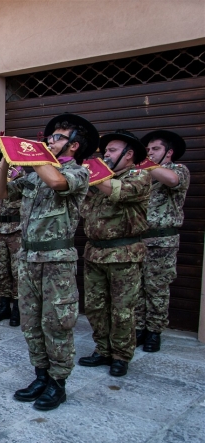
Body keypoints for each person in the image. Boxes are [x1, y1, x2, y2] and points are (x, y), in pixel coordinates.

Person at [0, 113, 96, 411]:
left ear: (74, 146)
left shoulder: (79, 172)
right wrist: (5, 159)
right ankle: (40, 375)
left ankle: (58, 383)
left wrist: (32, 153)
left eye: (59, 137)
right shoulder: (32, 175)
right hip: (27, 257)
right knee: (31, 322)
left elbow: (56, 182)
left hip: (57, 261)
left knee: (57, 322)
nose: (51, 140)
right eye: (50, 136)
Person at [78, 130, 150, 377]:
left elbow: (117, 191)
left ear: (128, 155)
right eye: (104, 151)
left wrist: (93, 173)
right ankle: (103, 349)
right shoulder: (98, 179)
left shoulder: (139, 176)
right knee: (96, 306)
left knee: (122, 308)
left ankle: (121, 355)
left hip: (124, 253)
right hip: (94, 253)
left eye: (111, 151)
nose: (105, 155)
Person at [135, 130, 190, 352]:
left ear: (169, 152)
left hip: (162, 241)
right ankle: (138, 328)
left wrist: (146, 164)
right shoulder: (143, 175)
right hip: (138, 240)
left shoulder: (178, 169)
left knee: (157, 288)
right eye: (147, 150)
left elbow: (172, 180)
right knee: (137, 288)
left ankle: (154, 331)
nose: (150, 153)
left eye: (155, 149)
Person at [0, 171, 22, 326]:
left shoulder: (23, 177)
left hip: (17, 229)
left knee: (17, 271)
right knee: (0, 270)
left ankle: (17, 307)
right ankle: (4, 306)